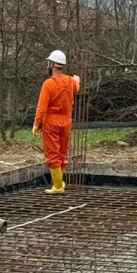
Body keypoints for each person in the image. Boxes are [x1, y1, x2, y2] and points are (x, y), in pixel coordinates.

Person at [32, 50, 80, 194]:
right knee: (62, 152)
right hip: (66, 121)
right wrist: (77, 80)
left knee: (52, 153)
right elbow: (76, 88)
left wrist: (36, 124)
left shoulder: (48, 84)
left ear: (52, 65)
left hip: (52, 122)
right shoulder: (70, 81)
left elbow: (42, 107)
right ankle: (60, 181)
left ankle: (58, 186)